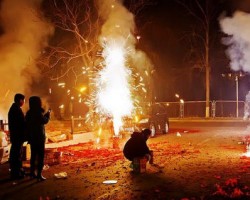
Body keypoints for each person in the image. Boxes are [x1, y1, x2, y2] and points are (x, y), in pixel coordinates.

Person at [25, 96, 50, 181]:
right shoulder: (37, 113)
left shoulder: (29, 113)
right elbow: (44, 121)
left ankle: (32, 173)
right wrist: (48, 115)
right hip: (39, 138)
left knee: (33, 155)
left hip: (32, 138)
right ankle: (39, 174)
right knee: (40, 156)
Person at [8, 93, 26, 180]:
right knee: (17, 154)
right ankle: (17, 172)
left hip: (15, 136)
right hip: (17, 136)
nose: (24, 102)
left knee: (15, 153)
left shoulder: (14, 108)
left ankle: (16, 171)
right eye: (23, 100)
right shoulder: (16, 110)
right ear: (20, 100)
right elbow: (22, 123)